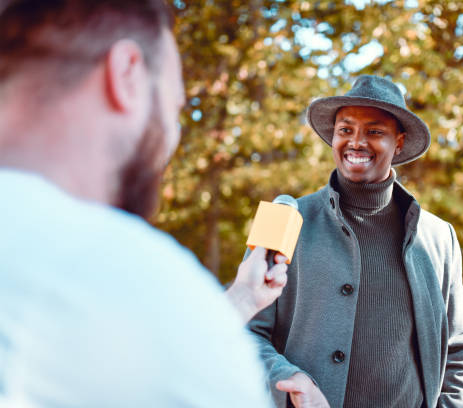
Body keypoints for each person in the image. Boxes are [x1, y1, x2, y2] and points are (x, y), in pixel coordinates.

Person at [0, 1, 287, 406]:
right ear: (127, 74)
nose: (172, 138)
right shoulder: (148, 285)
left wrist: (240, 301)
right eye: (175, 106)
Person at [249, 75, 463, 407]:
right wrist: (288, 378)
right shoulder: (283, 219)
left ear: (398, 143)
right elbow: (247, 331)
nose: (356, 142)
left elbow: (457, 348)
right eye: (345, 130)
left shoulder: (440, 237)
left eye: (374, 131)